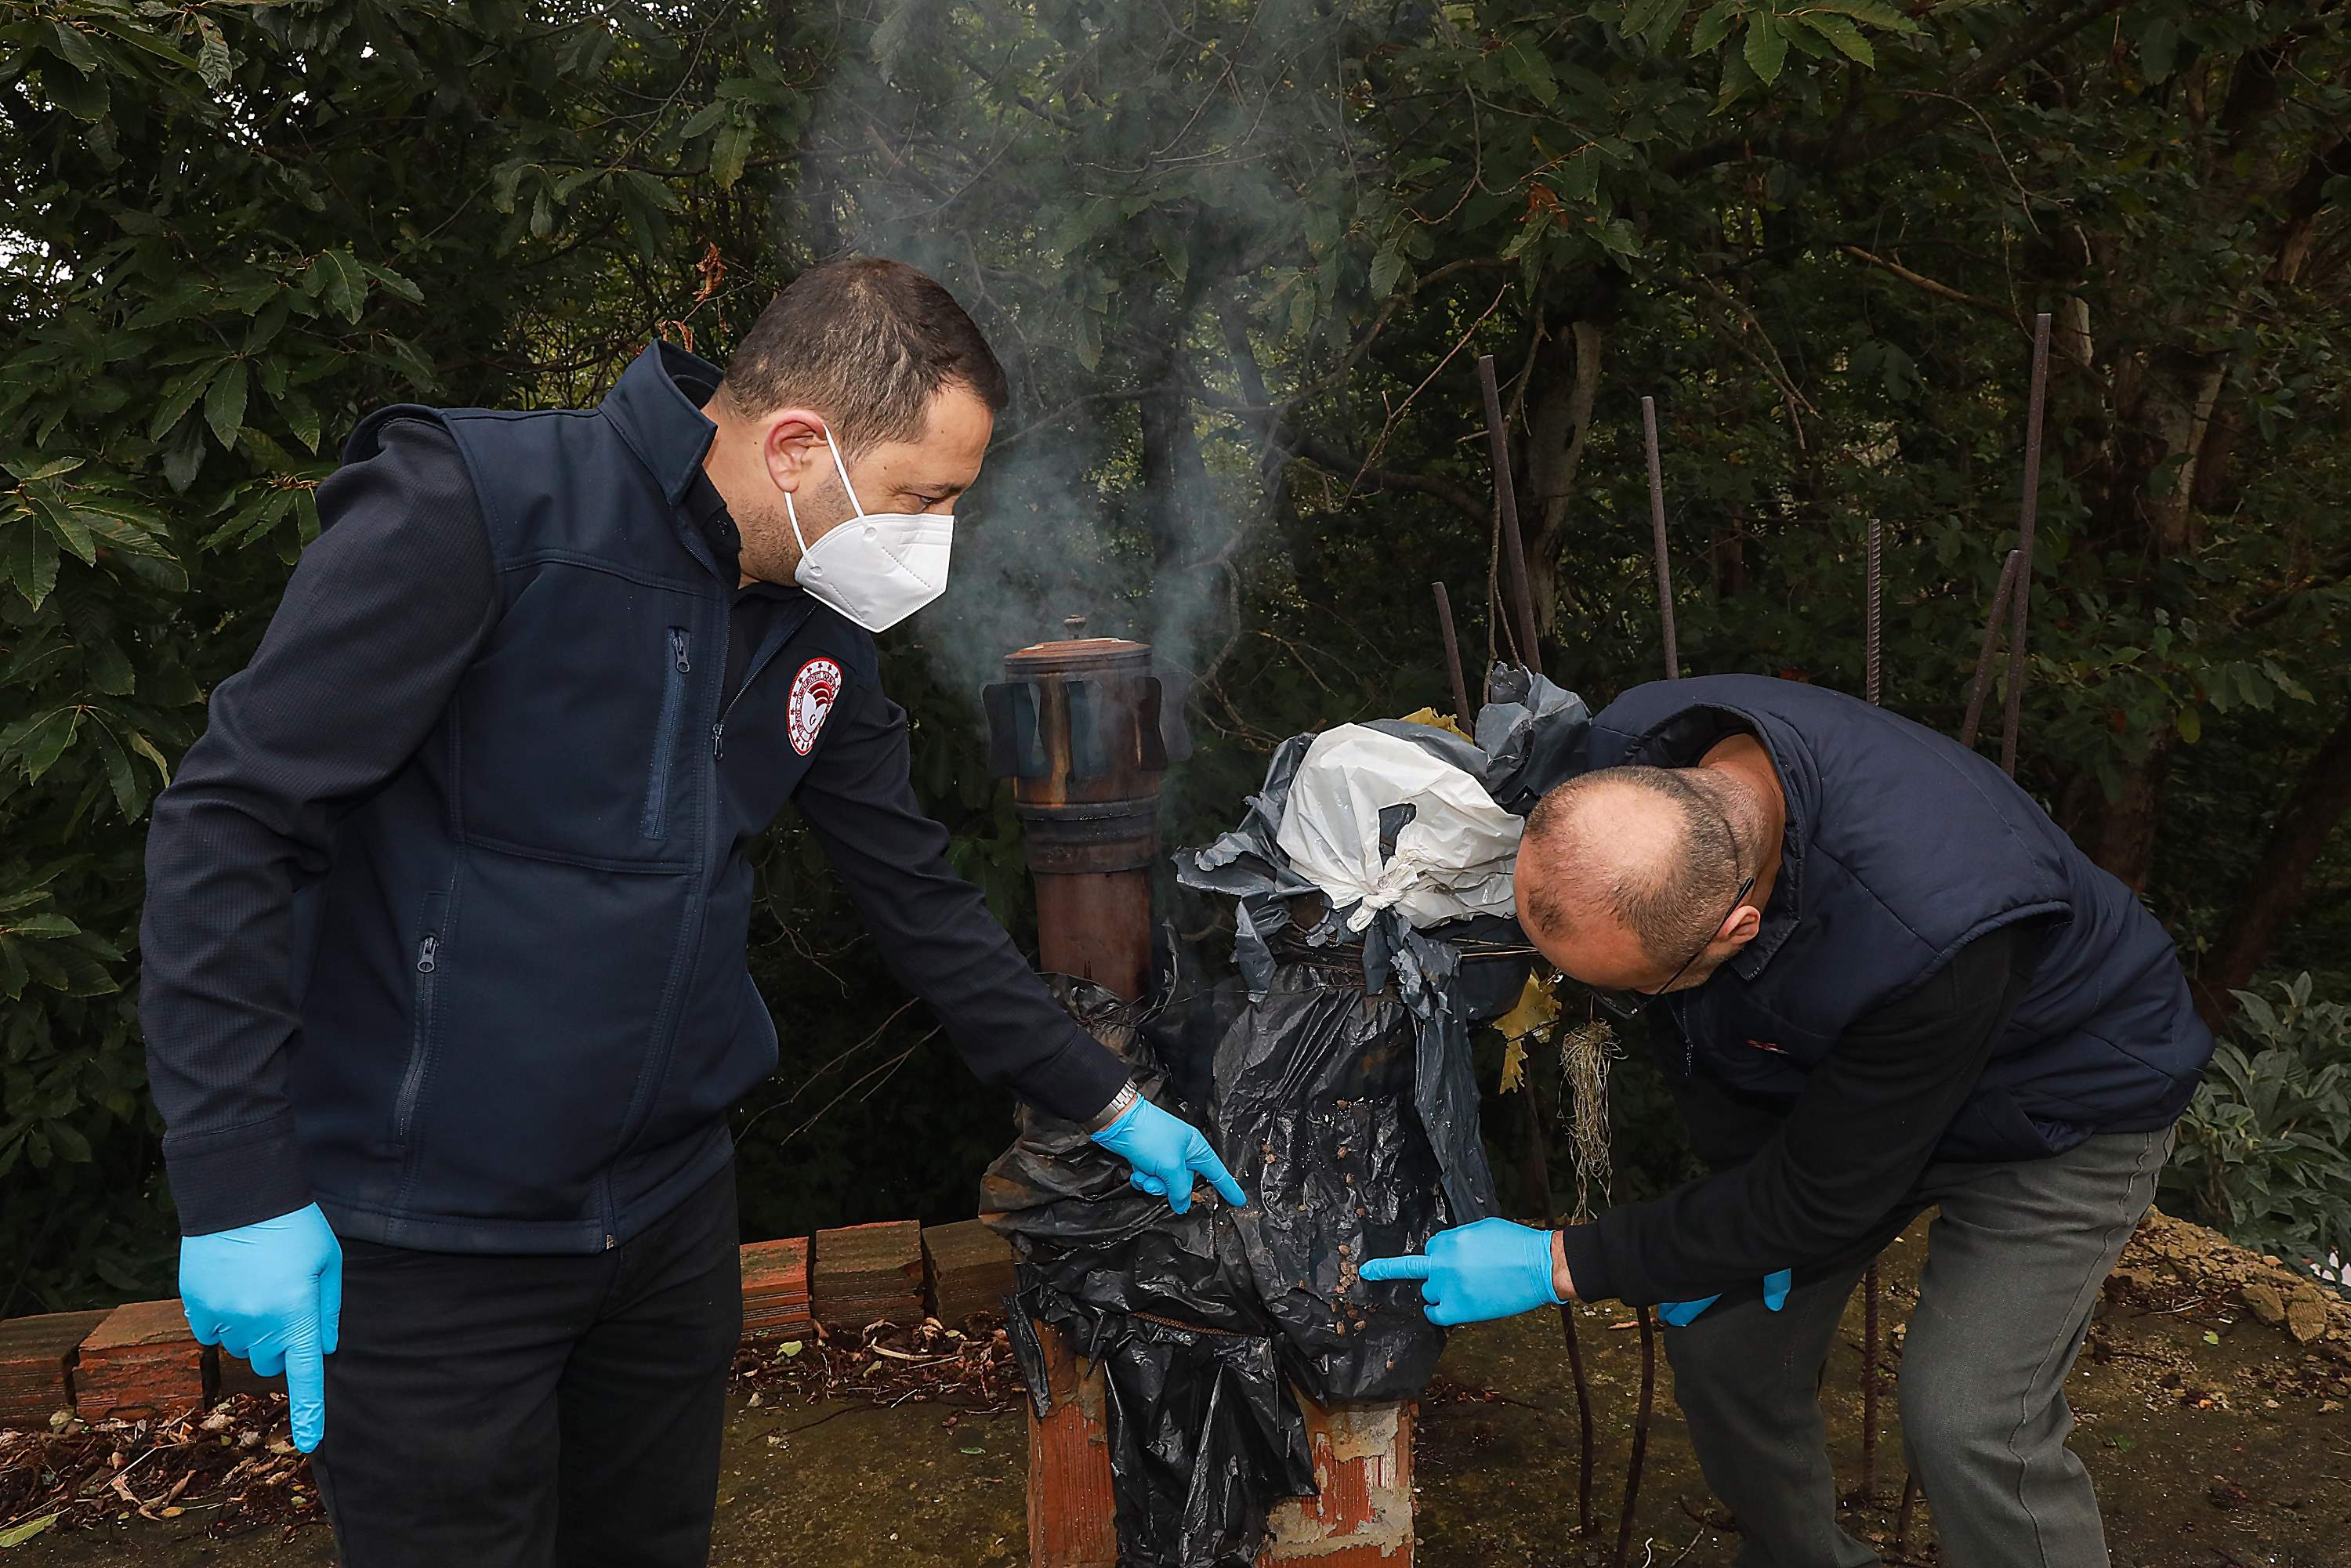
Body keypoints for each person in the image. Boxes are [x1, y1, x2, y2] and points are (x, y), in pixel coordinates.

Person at [138, 256, 1244, 1567]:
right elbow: (234, 820)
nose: (932, 543)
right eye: (919, 499)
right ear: (796, 447)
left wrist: (1104, 1099)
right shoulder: (481, 510)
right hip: (434, 1240)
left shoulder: (821, 627)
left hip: (664, 1229)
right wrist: (235, 1180)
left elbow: (914, 891)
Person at [1363, 672, 2213, 1568]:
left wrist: (1558, 1261)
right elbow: (1718, 1045)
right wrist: (1734, 1217)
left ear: (1739, 927)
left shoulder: (1937, 927)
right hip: (1852, 1085)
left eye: (1630, 990)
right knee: (1727, 1348)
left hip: (2062, 1100)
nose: (1604, 1005)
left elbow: (1823, 1194)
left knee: (1969, 1420)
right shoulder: (1642, 757)